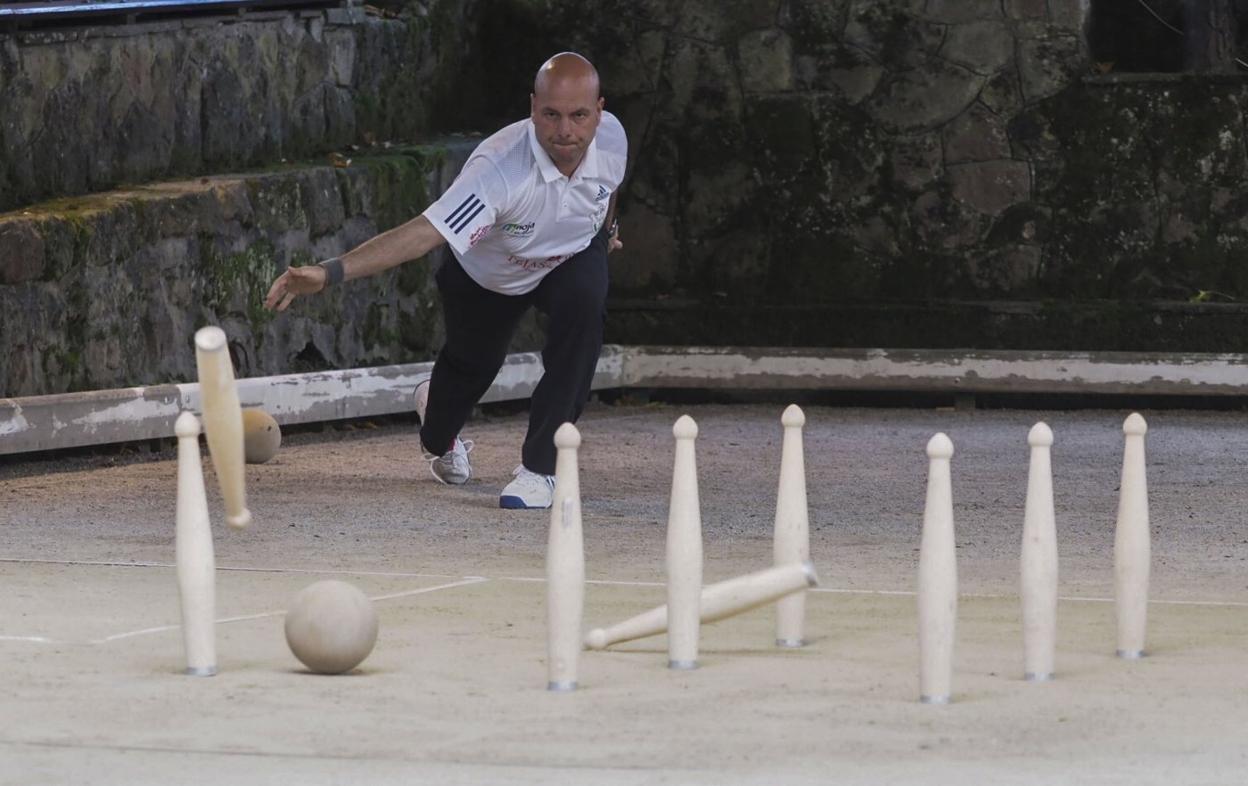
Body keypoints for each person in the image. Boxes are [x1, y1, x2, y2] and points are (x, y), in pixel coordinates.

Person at [263, 52, 627, 510]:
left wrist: (607, 230)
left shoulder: (612, 137)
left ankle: (542, 468)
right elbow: (421, 234)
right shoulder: (499, 171)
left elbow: (607, 186)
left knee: (586, 306)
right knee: (470, 371)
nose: (565, 132)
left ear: (599, 111)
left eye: (579, 116)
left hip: (569, 257)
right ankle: (436, 417)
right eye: (551, 115)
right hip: (487, 277)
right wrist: (329, 272)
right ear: (533, 106)